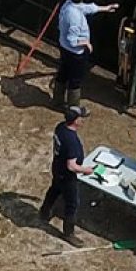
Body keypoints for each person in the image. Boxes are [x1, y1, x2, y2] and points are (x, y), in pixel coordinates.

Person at [53, 0, 117, 108]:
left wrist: (105, 8)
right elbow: (72, 40)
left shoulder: (68, 4)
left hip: (64, 47)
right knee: (75, 80)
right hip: (75, 52)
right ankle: (73, 108)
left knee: (63, 73)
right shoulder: (75, 17)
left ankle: (57, 101)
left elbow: (85, 8)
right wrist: (86, 43)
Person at [40, 103, 89, 241]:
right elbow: (72, 166)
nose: (83, 120)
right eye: (81, 117)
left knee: (55, 189)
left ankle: (44, 212)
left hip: (57, 167)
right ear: (76, 121)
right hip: (67, 176)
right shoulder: (71, 141)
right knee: (72, 203)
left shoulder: (60, 127)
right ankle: (68, 233)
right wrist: (86, 170)